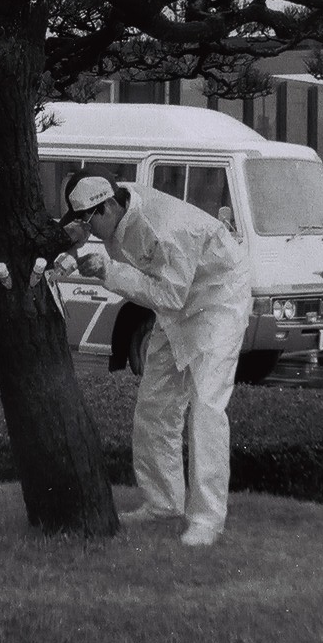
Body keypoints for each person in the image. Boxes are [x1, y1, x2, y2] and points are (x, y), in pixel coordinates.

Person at [59, 174, 252, 548]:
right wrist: (76, 240)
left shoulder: (166, 229)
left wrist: (109, 272)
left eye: (89, 221)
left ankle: (207, 519)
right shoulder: (119, 204)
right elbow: (169, 294)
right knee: (154, 406)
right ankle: (163, 504)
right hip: (178, 301)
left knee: (207, 407)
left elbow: (169, 296)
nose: (89, 230)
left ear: (108, 207)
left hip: (218, 298)